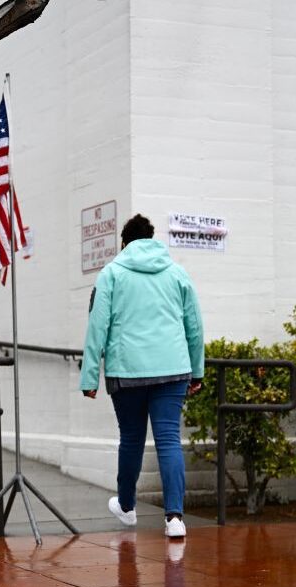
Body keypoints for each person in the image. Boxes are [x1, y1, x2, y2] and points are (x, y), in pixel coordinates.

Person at [80, 214, 204, 538]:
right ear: (151, 240)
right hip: (174, 369)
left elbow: (97, 327)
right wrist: (198, 370)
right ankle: (175, 518)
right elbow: (194, 326)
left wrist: (89, 376)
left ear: (124, 243)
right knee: (168, 439)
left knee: (132, 438)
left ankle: (127, 505)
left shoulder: (111, 275)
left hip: (127, 371)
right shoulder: (177, 273)